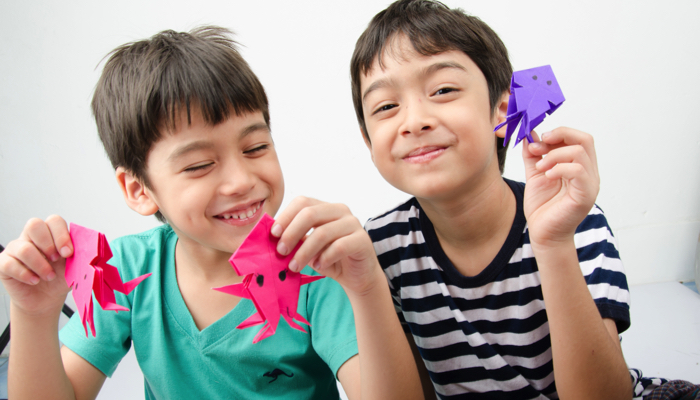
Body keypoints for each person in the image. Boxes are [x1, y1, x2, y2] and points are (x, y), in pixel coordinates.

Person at [0, 26, 420, 400]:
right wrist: (34, 315)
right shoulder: (126, 269)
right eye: (199, 165)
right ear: (139, 189)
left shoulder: (316, 269)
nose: (241, 180)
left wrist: (365, 289)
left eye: (256, 148)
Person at [349, 0, 632, 399]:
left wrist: (553, 245)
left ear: (502, 109)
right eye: (386, 107)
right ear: (368, 140)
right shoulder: (380, 246)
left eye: (443, 89)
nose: (414, 121)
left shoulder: (574, 221)